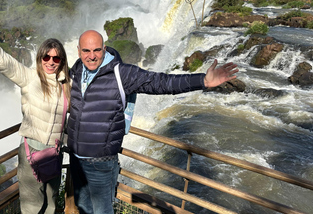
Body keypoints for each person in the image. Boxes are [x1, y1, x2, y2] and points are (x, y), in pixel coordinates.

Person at [67, 30, 239, 214]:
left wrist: (202, 80)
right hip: (76, 159)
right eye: (86, 51)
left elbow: (161, 82)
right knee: (83, 208)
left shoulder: (122, 74)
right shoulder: (77, 70)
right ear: (78, 51)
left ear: (104, 49)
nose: (91, 56)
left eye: (97, 50)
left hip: (100, 163)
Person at [0, 8, 71, 214]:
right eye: (46, 57)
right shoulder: (28, 78)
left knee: (52, 204)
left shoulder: (67, 84)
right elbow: (3, 60)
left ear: (62, 61)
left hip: (55, 153)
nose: (51, 62)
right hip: (32, 153)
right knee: (32, 207)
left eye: (56, 58)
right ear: (40, 58)